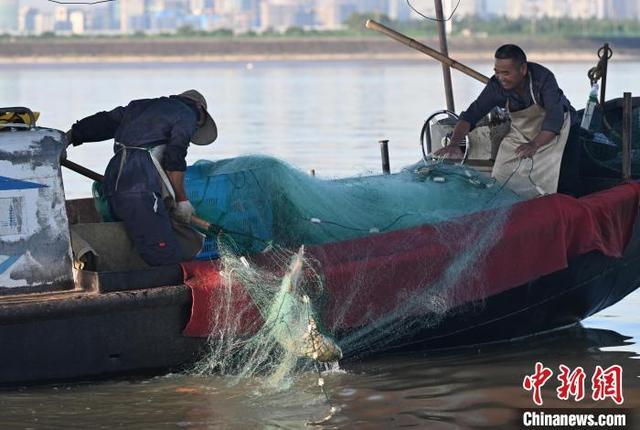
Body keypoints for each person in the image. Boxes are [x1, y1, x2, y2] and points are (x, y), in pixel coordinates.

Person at [66, 90, 218, 266]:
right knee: (165, 256)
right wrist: (183, 201)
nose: (194, 129)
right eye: (198, 127)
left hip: (113, 180)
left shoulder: (139, 106)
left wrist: (69, 137)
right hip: (140, 184)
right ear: (200, 110)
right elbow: (174, 159)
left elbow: (103, 122)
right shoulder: (188, 114)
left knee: (137, 240)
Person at [438, 44, 581, 197]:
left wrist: (534, 144)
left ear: (523, 70)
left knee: (563, 180)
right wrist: (453, 144)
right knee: (501, 173)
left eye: (506, 73)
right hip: (522, 132)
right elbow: (472, 114)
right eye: (497, 72)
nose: (500, 78)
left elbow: (554, 118)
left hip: (559, 131)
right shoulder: (496, 86)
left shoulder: (543, 78)